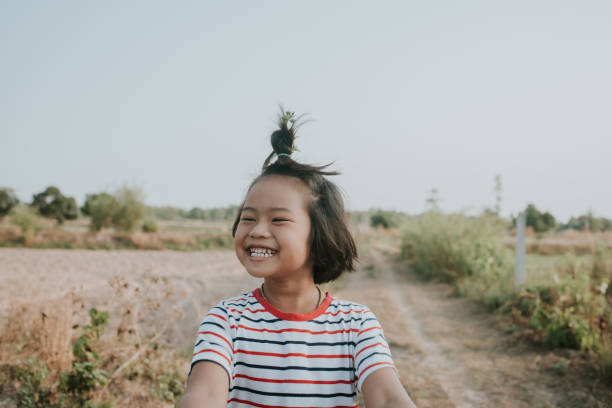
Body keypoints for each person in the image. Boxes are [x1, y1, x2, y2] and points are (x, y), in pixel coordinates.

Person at [178, 109, 417, 408]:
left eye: (278, 220)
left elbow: (388, 398)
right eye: (248, 218)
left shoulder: (356, 325)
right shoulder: (227, 321)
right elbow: (203, 396)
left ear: (319, 235)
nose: (258, 231)